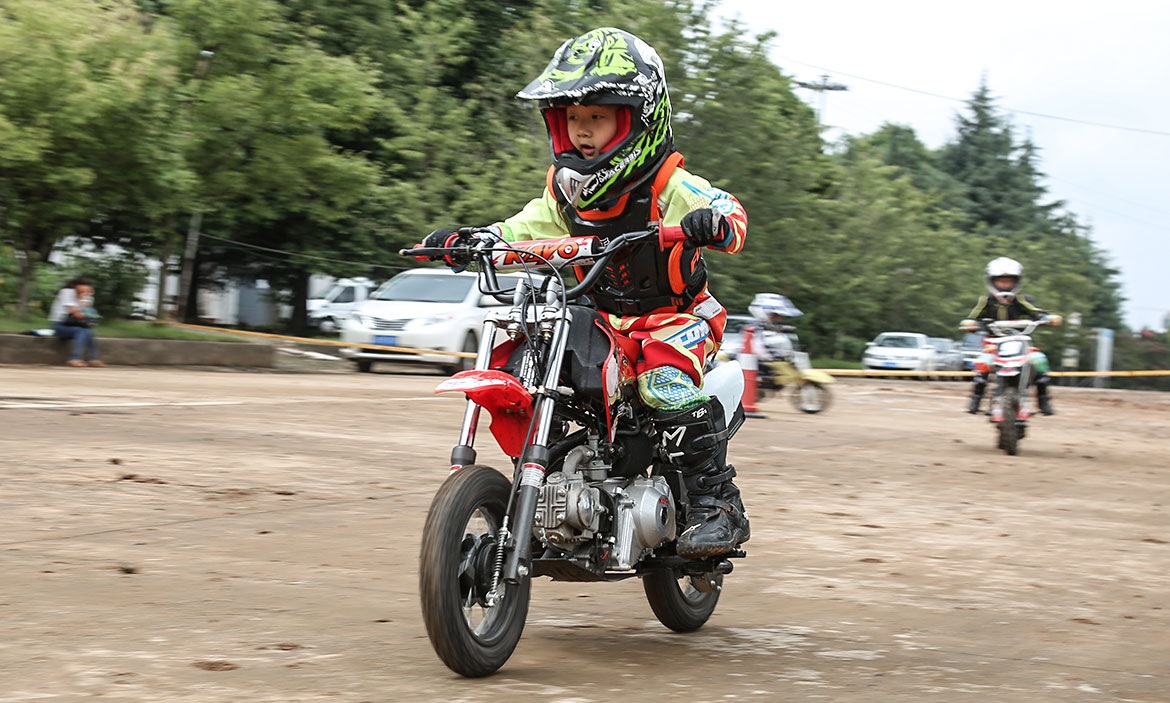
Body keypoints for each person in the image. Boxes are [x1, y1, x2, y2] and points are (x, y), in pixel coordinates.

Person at [418, 28, 750, 558]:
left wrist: (715, 223)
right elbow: (523, 228)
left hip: (676, 319)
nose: (582, 129)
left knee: (663, 382)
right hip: (603, 317)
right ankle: (555, 479)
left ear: (638, 118)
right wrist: (473, 240)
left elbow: (730, 211)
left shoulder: (669, 186)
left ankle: (718, 504)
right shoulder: (566, 190)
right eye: (572, 117)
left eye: (598, 116)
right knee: (532, 350)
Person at [963, 257, 1059, 415]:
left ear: (1016, 282)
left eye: (1009, 281)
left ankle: (1043, 400)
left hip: (1019, 340)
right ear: (992, 282)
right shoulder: (984, 301)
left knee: (1040, 360)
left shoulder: (1021, 300)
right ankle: (976, 398)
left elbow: (1035, 311)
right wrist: (970, 323)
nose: (1005, 285)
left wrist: (1046, 317)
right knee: (983, 363)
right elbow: (972, 316)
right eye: (1001, 281)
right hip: (993, 342)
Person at [49, 276, 105, 368]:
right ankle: (74, 359)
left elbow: (86, 313)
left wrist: (84, 297)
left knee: (89, 332)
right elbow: (76, 314)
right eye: (82, 285)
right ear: (75, 286)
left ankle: (93, 359)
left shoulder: (89, 297)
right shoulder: (66, 292)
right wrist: (90, 316)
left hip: (76, 324)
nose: (85, 287)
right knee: (81, 331)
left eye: (87, 286)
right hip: (60, 325)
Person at [746, 293, 802, 362]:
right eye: (777, 316)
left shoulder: (770, 331)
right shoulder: (753, 330)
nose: (781, 320)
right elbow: (759, 351)